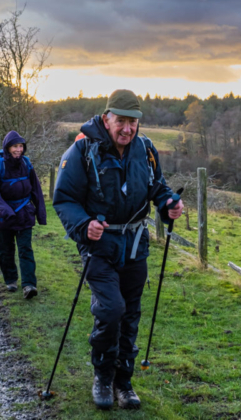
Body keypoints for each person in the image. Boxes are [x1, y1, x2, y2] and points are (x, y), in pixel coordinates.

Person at [53, 89, 184, 410]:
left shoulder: (146, 149)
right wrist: (84, 225)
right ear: (106, 118)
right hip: (99, 246)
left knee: (131, 313)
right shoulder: (82, 150)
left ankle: (123, 382)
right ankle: (102, 375)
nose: (128, 129)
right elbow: (65, 199)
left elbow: (158, 188)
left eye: (133, 122)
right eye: (121, 121)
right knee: (111, 310)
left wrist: (169, 205)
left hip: (136, 244)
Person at [0, 130, 47, 299]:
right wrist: (5, 210)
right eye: (15, 146)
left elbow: (36, 190)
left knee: (25, 249)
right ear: (7, 148)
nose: (18, 150)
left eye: (21, 146)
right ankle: (11, 280)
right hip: (4, 216)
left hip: (25, 214)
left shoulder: (27, 164)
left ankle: (29, 285)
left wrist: (41, 215)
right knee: (5, 249)